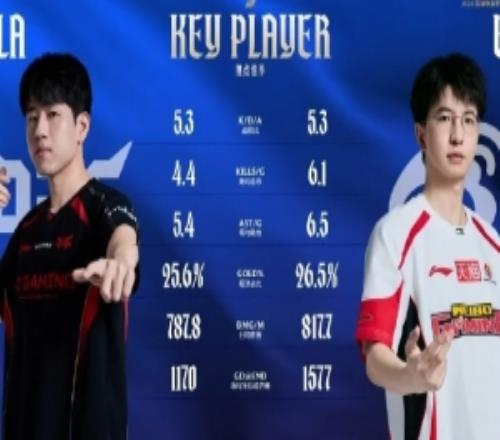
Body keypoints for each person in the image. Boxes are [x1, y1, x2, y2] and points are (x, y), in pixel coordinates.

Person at [355, 53, 500, 439]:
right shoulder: (395, 234)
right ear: (421, 134)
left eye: (469, 120)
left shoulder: (493, 245)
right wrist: (411, 375)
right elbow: (374, 356)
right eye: (445, 118)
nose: (458, 135)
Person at [0, 53, 139, 440]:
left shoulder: (105, 207)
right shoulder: (26, 231)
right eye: (32, 117)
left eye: (52, 114)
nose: (40, 131)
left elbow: (124, 237)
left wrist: (121, 262)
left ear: (82, 126)